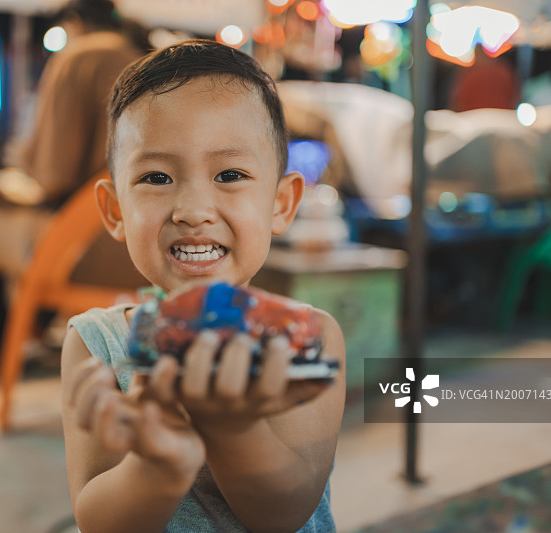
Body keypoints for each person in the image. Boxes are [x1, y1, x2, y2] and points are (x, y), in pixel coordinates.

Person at [62, 40, 346, 532]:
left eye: (230, 174)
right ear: (115, 211)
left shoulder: (304, 339)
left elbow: (286, 511)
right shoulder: (99, 347)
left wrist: (230, 428)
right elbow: (96, 521)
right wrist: (158, 465)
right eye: (156, 177)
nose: (193, 209)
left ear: (281, 202)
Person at [0, 0, 147, 422]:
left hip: (92, 247)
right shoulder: (143, 60)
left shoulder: (82, 55)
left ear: (72, 22)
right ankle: (37, 342)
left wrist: (15, 174)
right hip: (146, 255)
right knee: (15, 232)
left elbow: (52, 174)